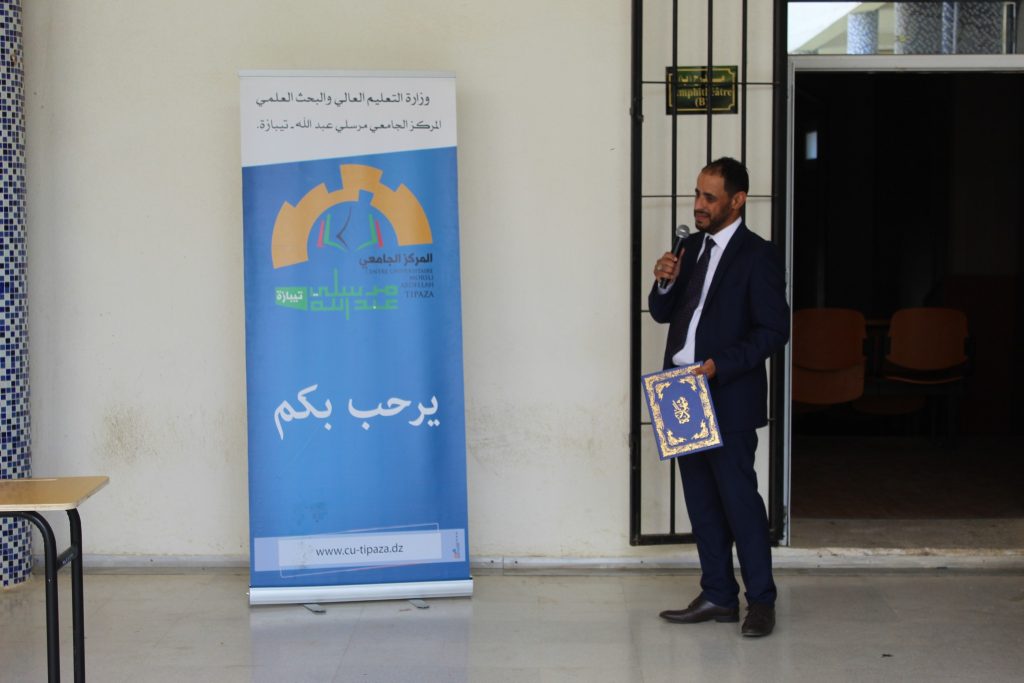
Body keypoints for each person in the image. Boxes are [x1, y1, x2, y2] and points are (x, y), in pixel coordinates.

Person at [648, 157, 789, 637]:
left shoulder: (758, 255)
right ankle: (718, 595)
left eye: (710, 197)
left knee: (739, 502)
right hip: (680, 389)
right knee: (701, 501)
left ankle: (761, 601)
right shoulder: (689, 247)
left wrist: (720, 365)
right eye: (697, 194)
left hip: (727, 392)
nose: (699, 205)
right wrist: (663, 280)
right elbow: (662, 312)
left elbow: (774, 329)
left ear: (737, 200)